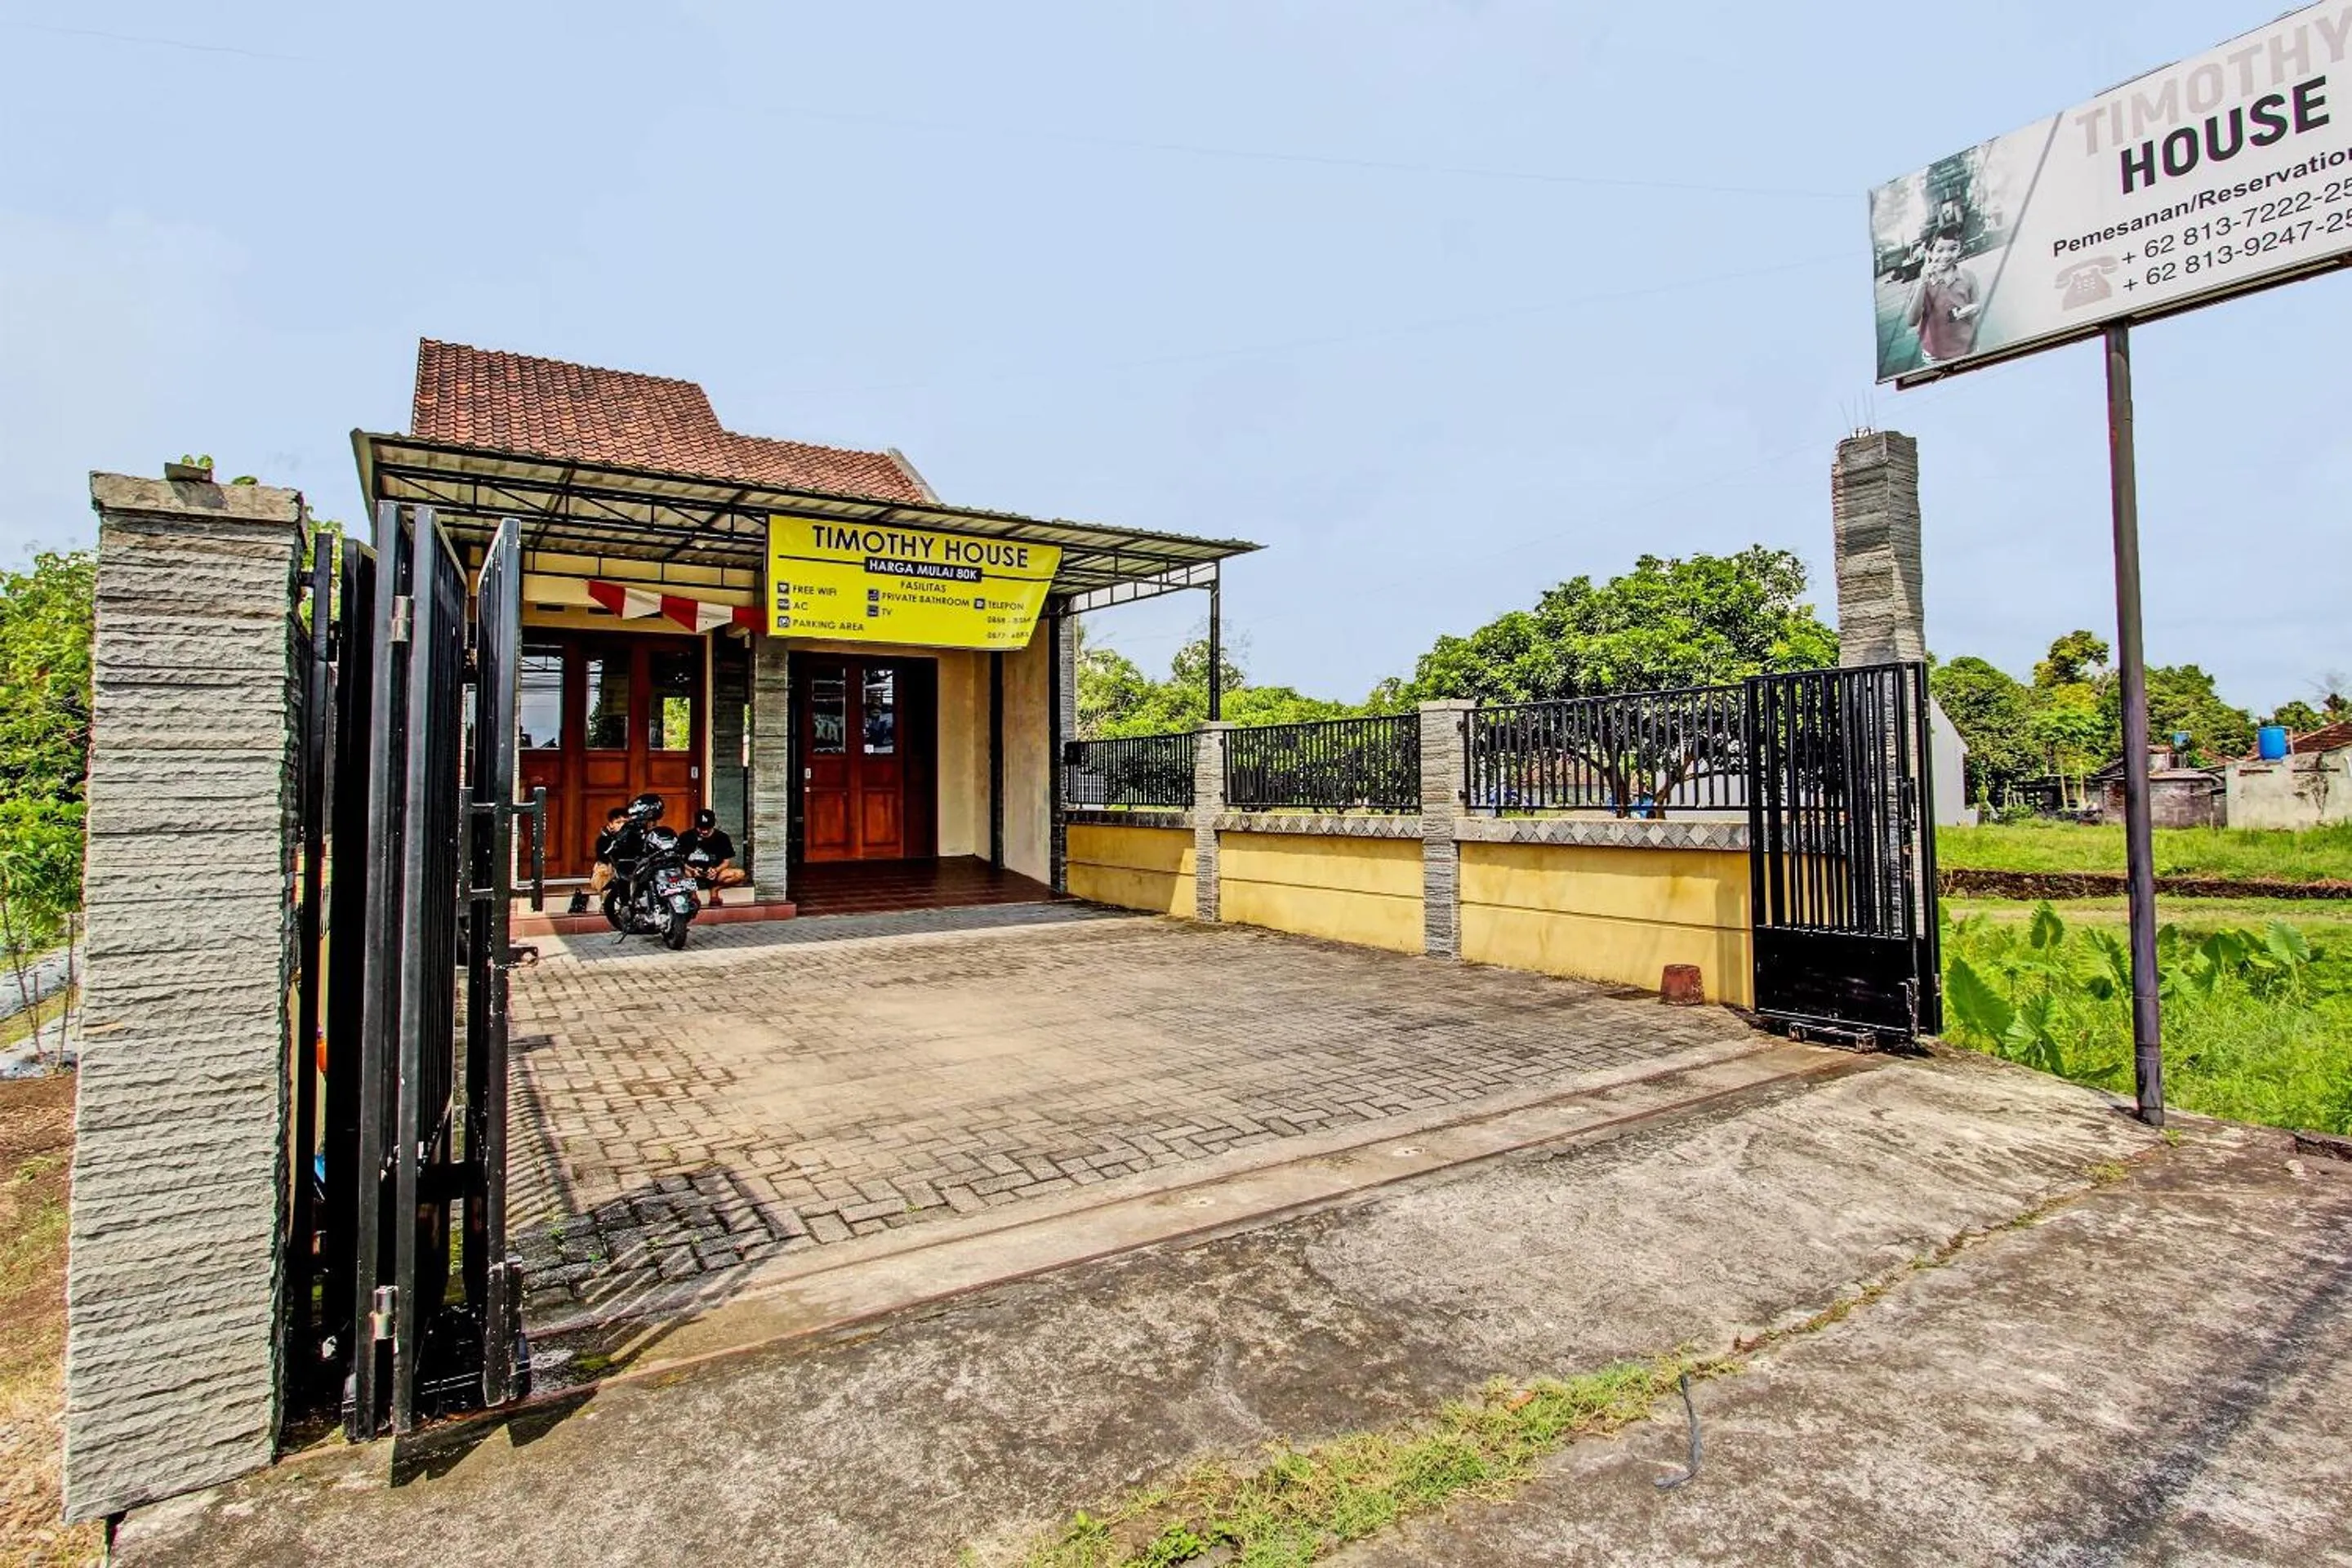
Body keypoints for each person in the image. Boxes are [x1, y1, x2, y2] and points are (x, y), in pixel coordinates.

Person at [1905, 226, 1981, 366]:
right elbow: (1911, 320)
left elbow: (1976, 304)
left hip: (1967, 349)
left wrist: (1969, 310)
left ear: (1961, 249)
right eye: (1940, 250)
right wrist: (1922, 282)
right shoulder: (1924, 283)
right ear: (1929, 253)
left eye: (1953, 249)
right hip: (1936, 355)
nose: (1946, 256)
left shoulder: (1968, 277)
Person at [568, 805, 630, 914]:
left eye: (625, 821)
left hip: (628, 870)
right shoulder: (604, 839)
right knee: (606, 872)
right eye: (618, 822)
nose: (622, 825)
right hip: (609, 869)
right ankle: (606, 904)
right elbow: (603, 857)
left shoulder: (632, 836)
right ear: (611, 824)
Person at [678, 808, 747, 898]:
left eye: (708, 829)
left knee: (739, 874)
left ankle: (715, 888)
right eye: (701, 829)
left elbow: (726, 861)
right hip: (692, 874)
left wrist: (716, 870)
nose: (704, 832)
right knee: (681, 872)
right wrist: (692, 870)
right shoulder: (686, 836)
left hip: (714, 874)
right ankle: (692, 893)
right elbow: (678, 860)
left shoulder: (722, 837)